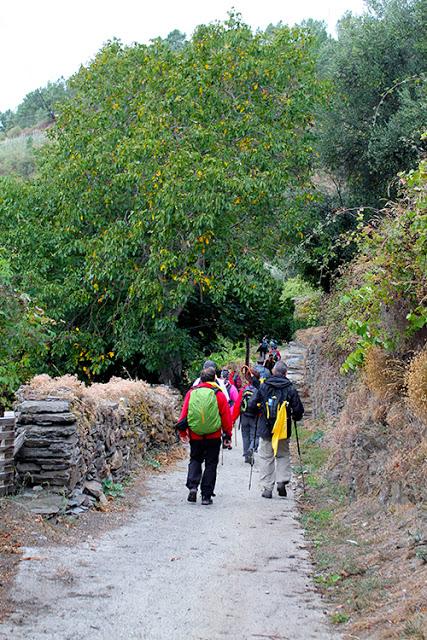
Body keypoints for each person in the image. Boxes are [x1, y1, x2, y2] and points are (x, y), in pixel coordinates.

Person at [247, 360, 304, 499]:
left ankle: (267, 487)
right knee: (283, 455)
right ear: (285, 373)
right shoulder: (290, 388)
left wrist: (254, 413)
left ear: (273, 371)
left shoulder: (264, 386)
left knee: (266, 457)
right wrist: (295, 417)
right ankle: (282, 481)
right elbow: (298, 410)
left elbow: (252, 404)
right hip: (283, 429)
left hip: (266, 428)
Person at [178, 367, 232, 505]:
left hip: (195, 435)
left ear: (200, 378)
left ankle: (193, 487)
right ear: (215, 378)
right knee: (211, 464)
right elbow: (226, 417)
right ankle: (206, 496)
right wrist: (227, 435)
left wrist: (183, 433)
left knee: (195, 459)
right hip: (213, 436)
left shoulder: (191, 393)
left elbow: (184, 415)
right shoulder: (218, 394)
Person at [232, 367, 260, 463]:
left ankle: (246, 455)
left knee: (245, 435)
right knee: (254, 435)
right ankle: (252, 448)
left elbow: (237, 405)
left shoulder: (244, 389)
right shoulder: (259, 390)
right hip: (255, 417)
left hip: (244, 416)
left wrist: (233, 419)